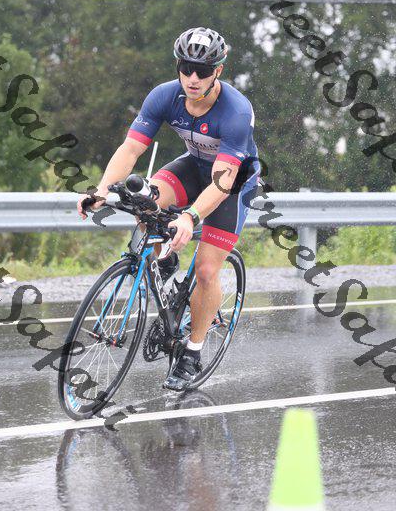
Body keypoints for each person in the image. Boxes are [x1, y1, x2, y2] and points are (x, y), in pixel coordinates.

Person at [78, 26, 260, 391]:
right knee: (143, 200)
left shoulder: (236, 111)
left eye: (202, 71)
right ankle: (165, 261)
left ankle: (193, 352)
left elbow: (222, 181)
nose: (192, 78)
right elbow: (132, 148)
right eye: (185, 68)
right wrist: (101, 190)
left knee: (206, 271)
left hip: (231, 182)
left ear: (218, 71)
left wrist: (190, 217)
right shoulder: (165, 95)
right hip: (192, 167)